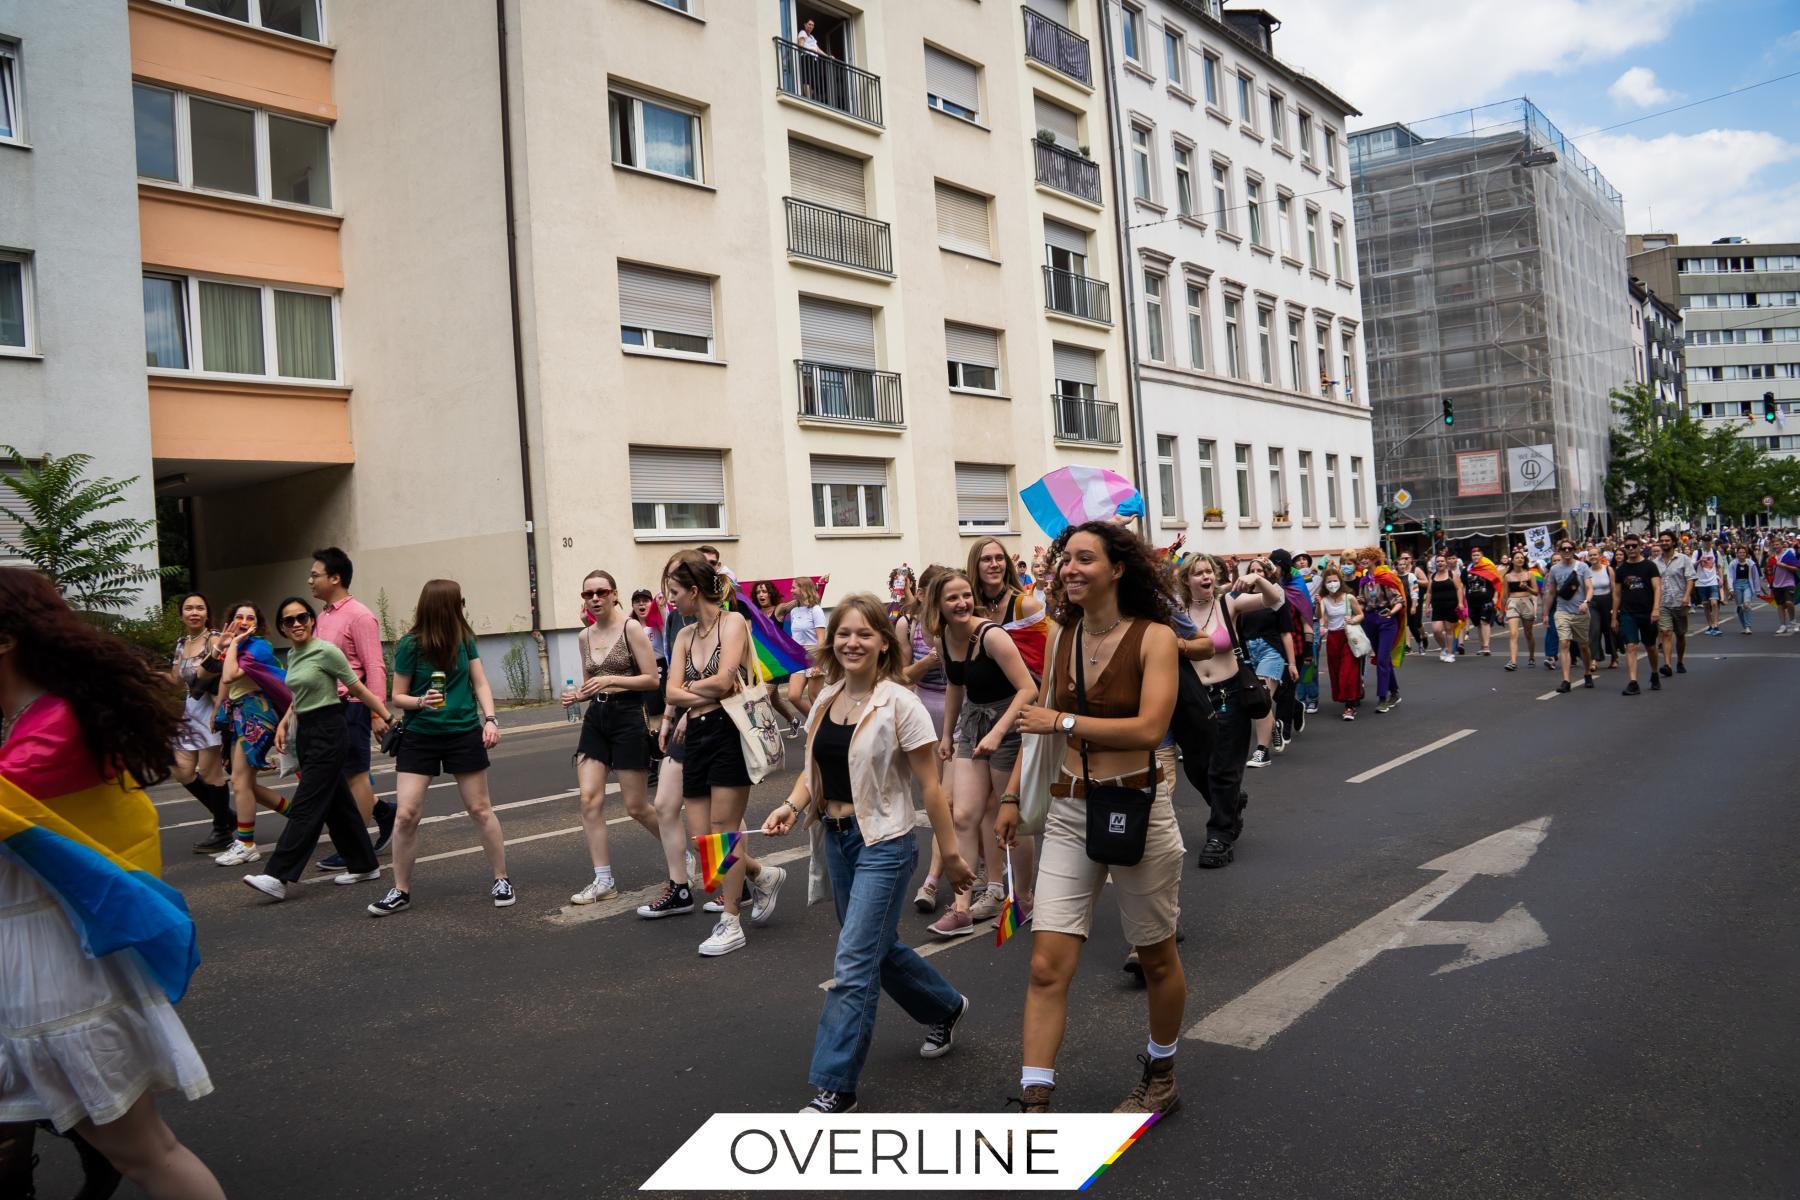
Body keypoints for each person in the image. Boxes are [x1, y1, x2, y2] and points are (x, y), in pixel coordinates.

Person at [0, 568, 226, 1200]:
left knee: (148, 1155)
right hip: (30, 964)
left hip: (57, 972)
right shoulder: (31, 718)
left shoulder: (53, 725)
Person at [761, 594, 975, 1114]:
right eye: (844, 633)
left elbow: (930, 787)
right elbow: (813, 772)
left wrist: (950, 856)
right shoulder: (825, 697)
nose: (852, 642)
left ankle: (836, 1085)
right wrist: (791, 806)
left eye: (864, 634)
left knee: (854, 960)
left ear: (884, 643)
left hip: (884, 842)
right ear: (833, 641)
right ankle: (945, 1006)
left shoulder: (899, 703)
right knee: (875, 945)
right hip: (836, 838)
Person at [1000, 521, 1184, 1117]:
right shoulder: (1064, 636)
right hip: (1069, 808)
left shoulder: (1154, 638)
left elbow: (1151, 728)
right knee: (1047, 961)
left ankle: (1161, 1072)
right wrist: (1009, 797)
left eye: (1085, 559)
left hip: (1137, 806)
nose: (1070, 569)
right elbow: (1038, 721)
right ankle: (1035, 1099)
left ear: (1117, 569)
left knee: (1155, 955)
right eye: (1065, 560)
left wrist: (1066, 724)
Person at [664, 550, 786, 956]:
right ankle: (761, 874)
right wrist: (705, 688)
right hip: (696, 734)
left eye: (675, 592)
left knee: (723, 830)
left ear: (694, 590)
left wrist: (693, 690)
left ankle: (731, 919)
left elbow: (725, 681)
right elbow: (671, 692)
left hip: (729, 730)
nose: (671, 601)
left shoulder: (733, 622)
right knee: (706, 840)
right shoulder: (683, 636)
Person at [368, 579, 514, 916]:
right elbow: (397, 697)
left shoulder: (465, 640)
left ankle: (501, 878)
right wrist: (421, 701)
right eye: (458, 602)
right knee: (406, 815)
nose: (462, 608)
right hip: (420, 736)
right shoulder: (410, 645)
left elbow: (480, 682)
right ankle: (400, 890)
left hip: (463, 732)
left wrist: (491, 719)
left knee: (480, 809)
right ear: (442, 607)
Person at [241, 597, 394, 902]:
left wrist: (387, 717)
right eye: (289, 620)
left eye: (301, 617)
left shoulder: (326, 650)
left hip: (330, 729)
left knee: (308, 803)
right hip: (307, 730)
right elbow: (299, 696)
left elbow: (357, 687)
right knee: (337, 802)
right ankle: (364, 864)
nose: (296, 624)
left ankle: (278, 875)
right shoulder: (294, 656)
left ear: (311, 620)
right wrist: (285, 722)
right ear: (283, 628)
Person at [928, 568, 1036, 938]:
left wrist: (1000, 731)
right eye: (952, 598)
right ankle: (961, 908)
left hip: (1009, 723)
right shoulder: (943, 638)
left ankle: (1022, 898)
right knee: (963, 814)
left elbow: (1028, 690)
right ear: (938, 606)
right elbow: (956, 687)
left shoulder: (992, 636)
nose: (961, 603)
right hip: (974, 724)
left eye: (965, 596)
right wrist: (947, 734)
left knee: (1010, 819)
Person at [563, 570, 671, 910]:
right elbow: (590, 683)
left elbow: (652, 679)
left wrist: (611, 678)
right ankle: (604, 879)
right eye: (587, 594)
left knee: (636, 807)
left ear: (613, 594)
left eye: (601, 592)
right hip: (597, 718)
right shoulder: (584, 636)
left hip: (627, 717)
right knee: (588, 800)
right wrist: (576, 696)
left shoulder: (630, 628)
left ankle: (680, 852)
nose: (594, 599)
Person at [1172, 553, 1282, 865]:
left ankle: (1220, 835)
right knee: (1195, 767)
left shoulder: (1228, 603)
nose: (1206, 577)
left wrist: (1258, 579)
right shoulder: (1177, 613)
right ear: (1187, 581)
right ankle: (1231, 803)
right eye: (1198, 573)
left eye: (1209, 571)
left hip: (1229, 693)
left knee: (1224, 768)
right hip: (1193, 699)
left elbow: (1275, 600)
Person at [308, 547, 399, 872]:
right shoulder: (324, 616)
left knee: (355, 774)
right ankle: (383, 813)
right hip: (326, 708)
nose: (310, 581)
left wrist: (376, 713)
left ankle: (355, 850)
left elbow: (374, 667)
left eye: (315, 574)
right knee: (338, 777)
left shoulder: (360, 615)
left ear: (335, 578)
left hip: (353, 707)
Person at [211, 602, 295, 868]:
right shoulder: (235, 646)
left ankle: (246, 844)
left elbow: (229, 676)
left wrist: (231, 645)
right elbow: (214, 676)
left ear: (257, 625)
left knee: (240, 781)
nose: (245, 621)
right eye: (239, 617)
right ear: (231, 621)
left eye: (250, 617)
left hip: (258, 714)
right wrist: (216, 712)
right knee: (245, 784)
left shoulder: (259, 647)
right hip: (239, 715)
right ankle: (302, 817)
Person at [896, 564, 951, 913]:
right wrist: (932, 659)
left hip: (962, 714)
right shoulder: (908, 625)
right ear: (921, 594)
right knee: (940, 800)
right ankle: (959, 862)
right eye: (937, 593)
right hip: (925, 712)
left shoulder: (961, 621)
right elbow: (902, 675)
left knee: (951, 800)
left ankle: (932, 880)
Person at [167, 592, 234, 854]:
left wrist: (218, 712)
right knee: (181, 770)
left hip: (210, 709)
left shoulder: (215, 639)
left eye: (199, 608)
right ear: (182, 613)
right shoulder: (182, 643)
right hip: (190, 711)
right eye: (188, 608)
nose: (194, 612)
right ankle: (225, 815)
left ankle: (222, 830)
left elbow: (224, 677)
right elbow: (175, 680)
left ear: (207, 613)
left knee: (210, 772)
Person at [1238, 559, 1293, 769]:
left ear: (1267, 574)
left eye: (1259, 570)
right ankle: (1274, 727)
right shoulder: (1242, 599)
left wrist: (1293, 664)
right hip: (1249, 654)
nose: (1255, 573)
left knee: (1262, 698)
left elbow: (1285, 632)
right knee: (1256, 699)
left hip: (1271, 650)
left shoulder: (1276, 595)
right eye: (1251, 570)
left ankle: (1262, 751)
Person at [749, 580, 806, 737]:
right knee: (774, 700)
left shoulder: (779, 610)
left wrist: (816, 587)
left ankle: (767, 735)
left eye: (765, 591)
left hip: (776, 663)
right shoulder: (753, 613)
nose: (761, 595)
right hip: (760, 663)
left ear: (771, 593)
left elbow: (797, 602)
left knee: (762, 699)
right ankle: (793, 720)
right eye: (758, 592)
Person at [1356, 548, 1406, 713]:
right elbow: (1362, 600)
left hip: (1386, 621)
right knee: (1382, 658)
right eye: (1361, 558)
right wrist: (1357, 611)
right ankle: (1395, 692)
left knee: (1382, 659)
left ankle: (1382, 698)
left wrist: (1391, 612)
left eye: (1367, 558)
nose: (1363, 560)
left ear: (1375, 559)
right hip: (1370, 621)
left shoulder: (1385, 577)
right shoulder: (1364, 580)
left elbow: (1399, 600)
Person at [1611, 534, 1662, 696]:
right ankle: (1633, 682)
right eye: (1628, 546)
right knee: (1631, 646)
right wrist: (1614, 617)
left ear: (1640, 546)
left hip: (1647, 612)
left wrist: (1655, 609)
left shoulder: (1650, 566)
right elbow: (1617, 594)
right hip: (1628, 613)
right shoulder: (1621, 569)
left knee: (1650, 646)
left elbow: (1657, 588)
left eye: (1634, 546)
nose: (1631, 549)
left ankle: (1654, 673)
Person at [1543, 540, 1595, 693]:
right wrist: (1545, 613)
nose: (1566, 551)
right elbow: (1551, 592)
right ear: (1558, 550)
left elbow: (1590, 587)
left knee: (1583, 646)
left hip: (1580, 611)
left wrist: (1586, 601)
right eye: (1563, 549)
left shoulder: (1582, 567)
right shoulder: (1554, 569)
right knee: (1564, 643)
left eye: (1569, 548)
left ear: (1574, 550)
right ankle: (1566, 680)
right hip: (1562, 611)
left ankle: (1587, 673)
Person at [1318, 565, 1366, 720]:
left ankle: (1349, 706)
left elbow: (1360, 615)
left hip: (1348, 636)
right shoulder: (1324, 600)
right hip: (1333, 638)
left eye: (1334, 580)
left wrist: (1352, 620)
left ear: (1340, 581)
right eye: (1328, 581)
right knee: (1337, 672)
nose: (1332, 584)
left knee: (1348, 671)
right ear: (1324, 584)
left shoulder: (1349, 597)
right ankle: (1356, 692)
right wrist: (1319, 609)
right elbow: (1322, 618)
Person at [967, 537, 1044, 626]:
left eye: (999, 558)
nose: (995, 564)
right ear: (975, 565)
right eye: (987, 559)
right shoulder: (969, 607)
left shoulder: (1027, 605)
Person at [784, 575, 830, 718]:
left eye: (794, 587)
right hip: (798, 656)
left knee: (814, 696)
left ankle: (822, 726)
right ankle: (813, 723)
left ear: (803, 588)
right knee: (793, 696)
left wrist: (819, 663)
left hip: (814, 654)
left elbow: (821, 638)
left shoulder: (816, 610)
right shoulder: (794, 611)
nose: (791, 590)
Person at [1654, 530, 1694, 676]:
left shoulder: (1683, 559)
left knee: (1681, 634)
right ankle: (1667, 664)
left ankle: (1680, 661)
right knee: (1666, 632)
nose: (1664, 543)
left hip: (1679, 601)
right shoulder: (1655, 562)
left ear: (1673, 542)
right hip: (1663, 602)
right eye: (1662, 540)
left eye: (1667, 540)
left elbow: (1690, 578)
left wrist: (1686, 596)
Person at [1502, 550, 1540, 670]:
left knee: (1528, 633)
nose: (1520, 559)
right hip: (1512, 603)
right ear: (1512, 561)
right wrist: (1501, 611)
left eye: (1522, 558)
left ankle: (1532, 657)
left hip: (1526, 602)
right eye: (1517, 558)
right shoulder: (1507, 576)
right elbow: (1505, 595)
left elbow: (1536, 592)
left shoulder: (1529, 574)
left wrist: (1527, 587)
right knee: (1513, 633)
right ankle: (1513, 661)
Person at [1461, 545, 1502, 656]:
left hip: (1486, 599)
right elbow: (1463, 585)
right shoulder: (1467, 570)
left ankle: (1486, 646)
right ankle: (1482, 646)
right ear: (1471, 556)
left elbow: (1496, 583)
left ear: (1482, 556)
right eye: (1474, 555)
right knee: (1478, 624)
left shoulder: (1488, 567)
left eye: (1478, 555)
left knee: (1485, 622)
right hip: (1472, 601)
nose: (1476, 557)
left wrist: (1495, 597)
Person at [1426, 554, 1464, 664]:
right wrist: (1427, 606)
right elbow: (1429, 592)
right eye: (1438, 561)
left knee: (1448, 630)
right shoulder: (1432, 576)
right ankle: (1444, 648)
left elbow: (1459, 589)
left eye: (1442, 561)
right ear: (1435, 564)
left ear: (1446, 562)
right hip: (1437, 607)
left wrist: (1460, 603)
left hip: (1451, 606)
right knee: (1436, 631)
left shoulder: (1453, 574)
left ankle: (1450, 653)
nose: (1440, 563)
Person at [1586, 545, 1618, 668]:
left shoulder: (1608, 569)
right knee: (1594, 630)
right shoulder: (1586, 571)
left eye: (1595, 554)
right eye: (1591, 555)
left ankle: (1614, 657)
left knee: (1609, 630)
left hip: (1607, 601)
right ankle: (1593, 659)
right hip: (1593, 602)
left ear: (1600, 556)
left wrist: (1615, 608)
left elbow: (1614, 589)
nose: (1593, 557)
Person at [1726, 544, 1765, 634]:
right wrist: (1730, 588)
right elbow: (1730, 576)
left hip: (1747, 585)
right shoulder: (1733, 563)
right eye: (1740, 552)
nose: (1742, 554)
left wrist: (1757, 590)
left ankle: (1748, 626)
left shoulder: (1751, 563)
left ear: (1746, 553)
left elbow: (1755, 577)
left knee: (1746, 604)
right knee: (1740, 607)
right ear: (1737, 554)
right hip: (1737, 585)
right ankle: (1744, 626)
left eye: (1744, 552)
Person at [1693, 534, 1725, 636]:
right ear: (1702, 542)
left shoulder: (1716, 553)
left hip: (1713, 581)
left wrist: (1721, 579)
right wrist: (1699, 560)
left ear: (1711, 542)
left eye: (1708, 541)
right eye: (1704, 541)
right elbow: (1692, 565)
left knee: (1714, 603)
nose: (1706, 543)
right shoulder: (1697, 552)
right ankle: (1710, 625)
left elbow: (1719, 566)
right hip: (1701, 582)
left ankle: (1716, 625)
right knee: (1706, 605)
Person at [1767, 534, 1796, 634]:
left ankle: (1792, 621)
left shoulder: (1788, 555)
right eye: (1774, 545)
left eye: (1777, 544)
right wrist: (1769, 571)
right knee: (1780, 605)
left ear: (1782, 545)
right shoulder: (1772, 557)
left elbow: (1796, 568)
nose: (1775, 546)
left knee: (1789, 602)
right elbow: (1769, 571)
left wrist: (1784, 565)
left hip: (1789, 582)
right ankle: (1783, 625)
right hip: (1777, 584)